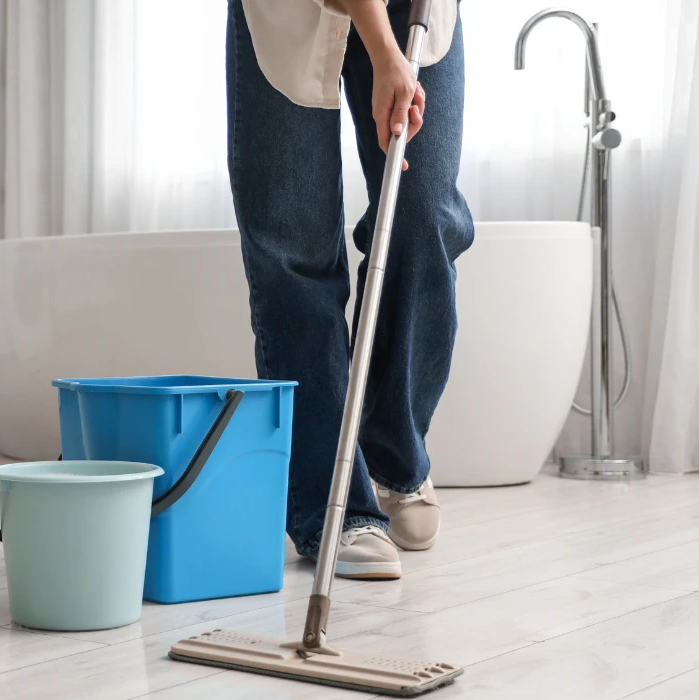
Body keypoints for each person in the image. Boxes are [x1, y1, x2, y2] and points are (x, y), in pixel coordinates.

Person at [226, 0, 472, 580]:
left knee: (423, 216)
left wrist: (396, 46)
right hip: (286, 13)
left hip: (420, 11)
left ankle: (394, 458)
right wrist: (384, 51)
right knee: (295, 254)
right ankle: (333, 506)